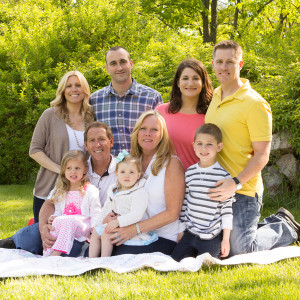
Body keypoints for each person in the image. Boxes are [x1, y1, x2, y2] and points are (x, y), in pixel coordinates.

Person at [205, 40, 300, 256]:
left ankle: (283, 225)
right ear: (213, 64)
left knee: (242, 249)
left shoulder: (255, 104)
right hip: (216, 187)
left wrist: (235, 183)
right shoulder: (215, 96)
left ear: (240, 64)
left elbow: (262, 155)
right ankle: (252, 229)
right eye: (219, 62)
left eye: (230, 61)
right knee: (215, 246)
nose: (224, 67)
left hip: (243, 190)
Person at [0, 122, 117, 255]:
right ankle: (14, 243)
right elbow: (50, 202)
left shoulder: (122, 170)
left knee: (78, 248)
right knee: (34, 236)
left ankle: (57, 253)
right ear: (86, 145)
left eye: (102, 139)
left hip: (91, 229)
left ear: (111, 141)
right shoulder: (74, 168)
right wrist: (44, 227)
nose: (97, 144)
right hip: (63, 225)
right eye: (92, 140)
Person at [106, 110, 185, 256]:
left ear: (162, 136)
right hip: (132, 232)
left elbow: (172, 213)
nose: (148, 133)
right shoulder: (131, 163)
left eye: (154, 130)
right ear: (137, 132)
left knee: (120, 257)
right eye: (143, 128)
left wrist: (133, 229)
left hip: (162, 236)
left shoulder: (171, 163)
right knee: (99, 246)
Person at [30, 70, 94, 222]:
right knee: (44, 237)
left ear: (84, 89)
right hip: (50, 187)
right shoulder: (50, 115)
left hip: (80, 191)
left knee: (76, 238)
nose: (74, 89)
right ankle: (14, 241)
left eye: (78, 85)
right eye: (69, 86)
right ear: (63, 91)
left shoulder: (91, 117)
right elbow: (34, 150)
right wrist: (61, 170)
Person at [171, 124, 235, 261]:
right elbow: (185, 202)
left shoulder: (223, 176)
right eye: (199, 144)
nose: (204, 148)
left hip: (211, 235)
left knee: (206, 265)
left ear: (219, 147)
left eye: (209, 144)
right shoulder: (190, 172)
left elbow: (226, 210)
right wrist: (181, 230)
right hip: (190, 233)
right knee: (175, 261)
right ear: (194, 146)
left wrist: (226, 239)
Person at [90, 46, 163, 156]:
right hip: (108, 170)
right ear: (107, 68)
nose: (119, 68)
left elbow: (163, 137)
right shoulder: (95, 100)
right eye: (113, 63)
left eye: (123, 62)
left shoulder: (152, 98)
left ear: (131, 64)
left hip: (145, 168)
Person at [89, 151, 158, 258]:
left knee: (106, 233)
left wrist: (117, 222)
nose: (127, 175)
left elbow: (136, 215)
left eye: (131, 172)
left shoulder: (139, 192)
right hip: (114, 224)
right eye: (122, 172)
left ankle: (104, 260)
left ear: (138, 175)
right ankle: (91, 260)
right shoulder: (114, 191)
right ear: (116, 173)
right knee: (96, 233)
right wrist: (98, 224)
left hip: (130, 228)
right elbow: (106, 209)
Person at [155, 59, 213, 170]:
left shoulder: (211, 115)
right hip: (166, 181)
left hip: (198, 182)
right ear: (178, 82)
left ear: (203, 82)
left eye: (195, 78)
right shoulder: (161, 112)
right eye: (185, 78)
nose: (190, 83)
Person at [43, 151, 101, 256]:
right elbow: (59, 211)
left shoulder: (91, 190)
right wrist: (54, 217)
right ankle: (47, 253)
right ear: (64, 170)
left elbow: (95, 212)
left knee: (68, 222)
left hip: (83, 226)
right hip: (66, 223)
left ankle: (56, 253)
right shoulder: (61, 190)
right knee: (56, 223)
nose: (73, 172)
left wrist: (94, 229)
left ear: (85, 170)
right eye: (69, 168)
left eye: (77, 168)